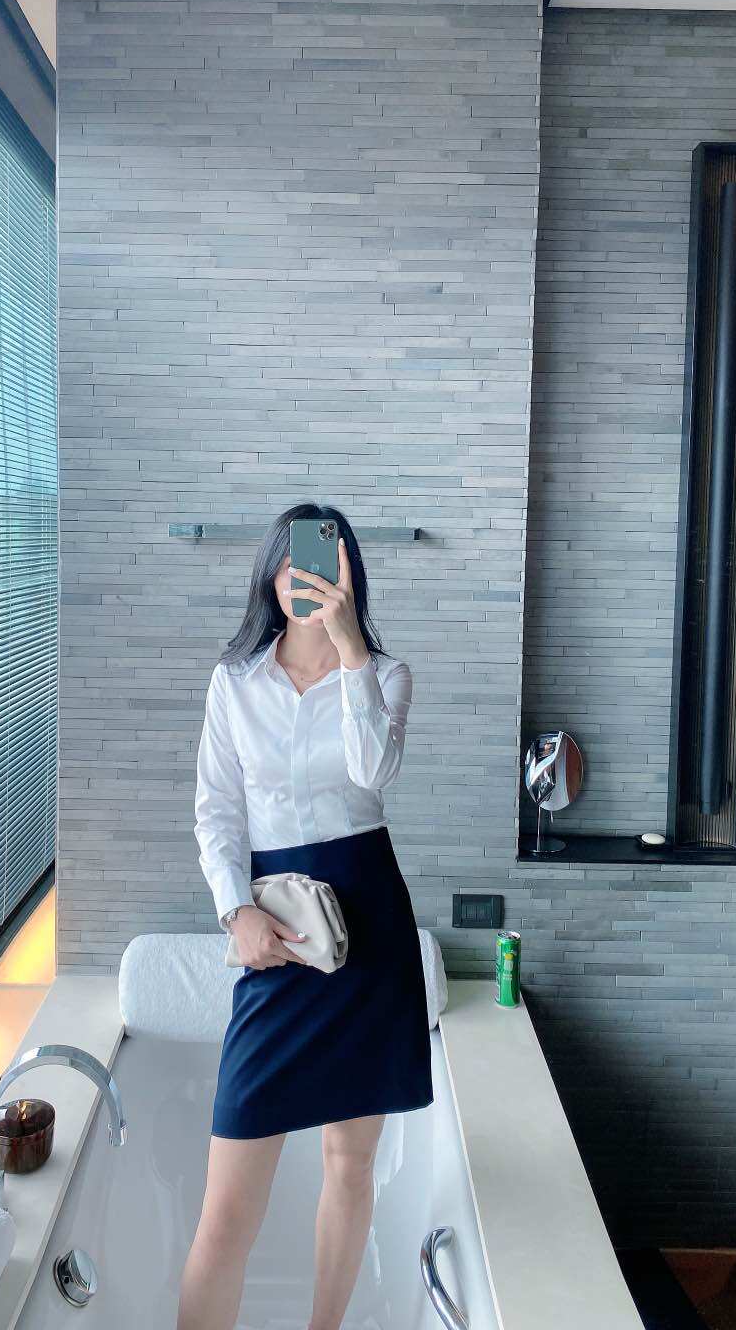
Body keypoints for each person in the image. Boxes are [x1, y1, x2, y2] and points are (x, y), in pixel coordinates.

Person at [176, 502, 432, 1330]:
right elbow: (217, 812)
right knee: (226, 1210)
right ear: (269, 573)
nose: (304, 576)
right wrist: (234, 912)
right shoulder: (234, 682)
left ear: (348, 573)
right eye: (290, 562)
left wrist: (350, 648)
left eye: (322, 561)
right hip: (275, 924)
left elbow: (373, 770)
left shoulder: (385, 675)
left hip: (369, 927)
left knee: (349, 1165)